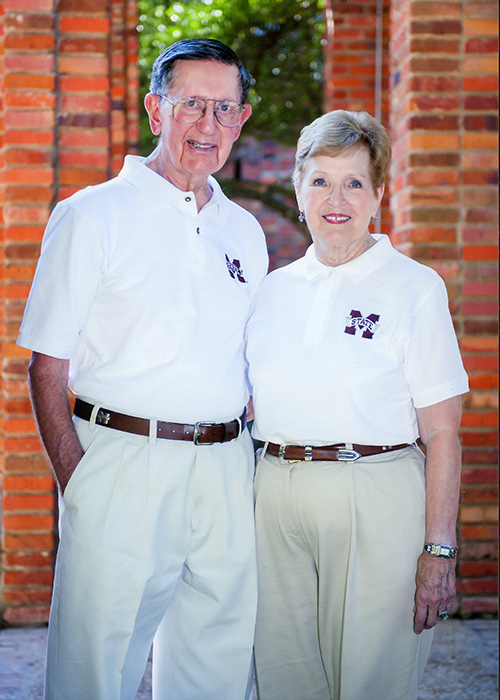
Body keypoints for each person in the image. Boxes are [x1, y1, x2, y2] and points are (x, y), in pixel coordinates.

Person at [17, 38, 268, 700]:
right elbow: (45, 367)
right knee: (94, 671)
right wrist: (83, 483)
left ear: (242, 119)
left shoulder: (246, 231)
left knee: (216, 661)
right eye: (191, 104)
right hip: (121, 461)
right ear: (157, 110)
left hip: (223, 468)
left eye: (224, 108)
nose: (208, 125)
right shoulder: (90, 214)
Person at [245, 109, 469, 700]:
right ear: (297, 189)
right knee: (283, 678)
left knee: (373, 683)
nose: (335, 198)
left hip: (376, 495)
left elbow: (443, 432)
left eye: (353, 182)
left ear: (379, 194)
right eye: (320, 180)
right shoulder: (271, 290)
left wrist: (439, 550)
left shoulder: (415, 287)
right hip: (273, 497)